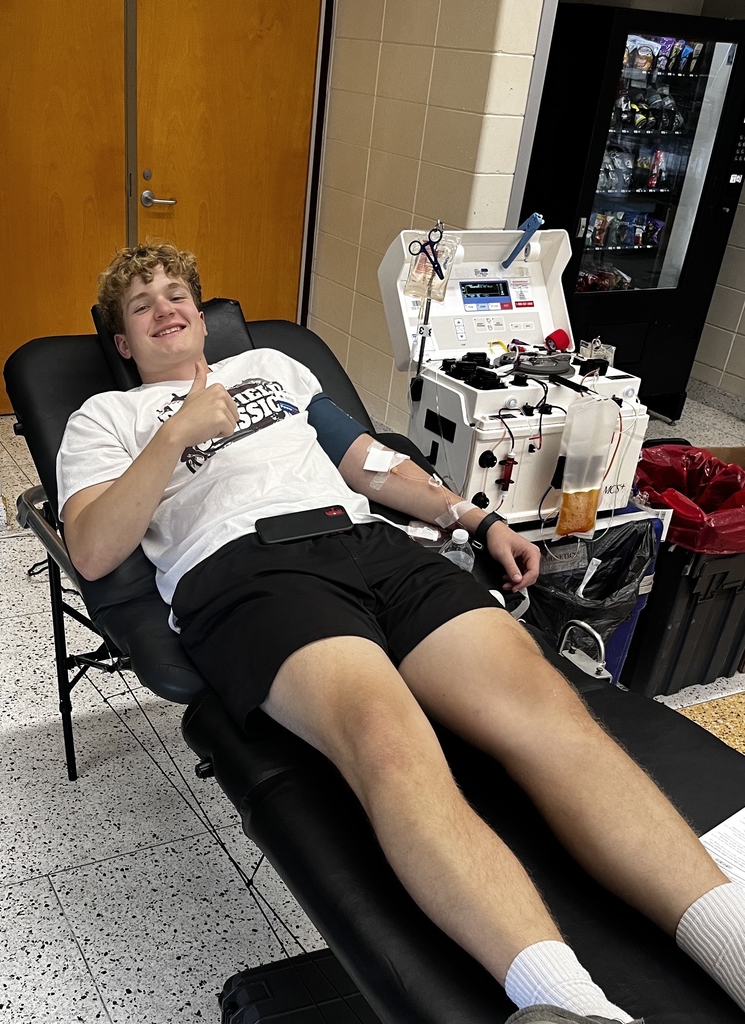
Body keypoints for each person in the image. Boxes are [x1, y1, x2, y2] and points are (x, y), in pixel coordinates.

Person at [56, 243, 745, 1024]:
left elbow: (372, 466)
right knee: (389, 740)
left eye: (177, 293)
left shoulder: (276, 369)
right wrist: (175, 433)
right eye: (141, 305)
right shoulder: (104, 419)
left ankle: (735, 944)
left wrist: (473, 516)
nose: (165, 308)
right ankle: (570, 1008)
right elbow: (93, 548)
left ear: (204, 317)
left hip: (372, 546)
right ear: (122, 341)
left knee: (551, 715)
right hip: (247, 572)